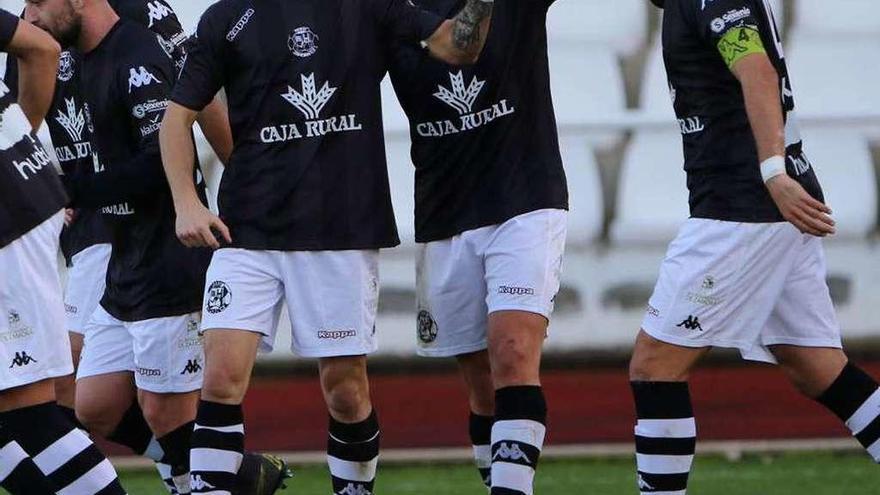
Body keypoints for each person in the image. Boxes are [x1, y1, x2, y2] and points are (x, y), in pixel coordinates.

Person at [161, 0, 494, 493]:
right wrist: (186, 203)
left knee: (344, 390)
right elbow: (176, 118)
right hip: (246, 232)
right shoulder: (225, 17)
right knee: (220, 379)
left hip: (338, 230)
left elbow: (455, 47)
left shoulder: (366, 8)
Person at [632, 1, 880, 493]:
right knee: (816, 367)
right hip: (763, 205)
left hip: (744, 207)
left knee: (655, 364)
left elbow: (758, 71)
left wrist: (772, 173)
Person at [15, 0, 231, 491]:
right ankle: (221, 471)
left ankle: (212, 478)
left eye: (37, 3)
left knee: (163, 408)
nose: (28, 16)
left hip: (165, 257)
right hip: (123, 253)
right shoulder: (77, 52)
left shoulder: (137, 49)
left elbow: (161, 159)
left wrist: (69, 192)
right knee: (92, 404)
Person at [385, 0, 567, 492]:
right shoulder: (387, 8)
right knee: (483, 385)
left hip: (525, 195)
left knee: (511, 352)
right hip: (445, 209)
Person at [0, 8, 126, 494]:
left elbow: (44, 48)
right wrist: (19, 154)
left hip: (8, 223)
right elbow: (41, 47)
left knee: (28, 410)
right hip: (27, 199)